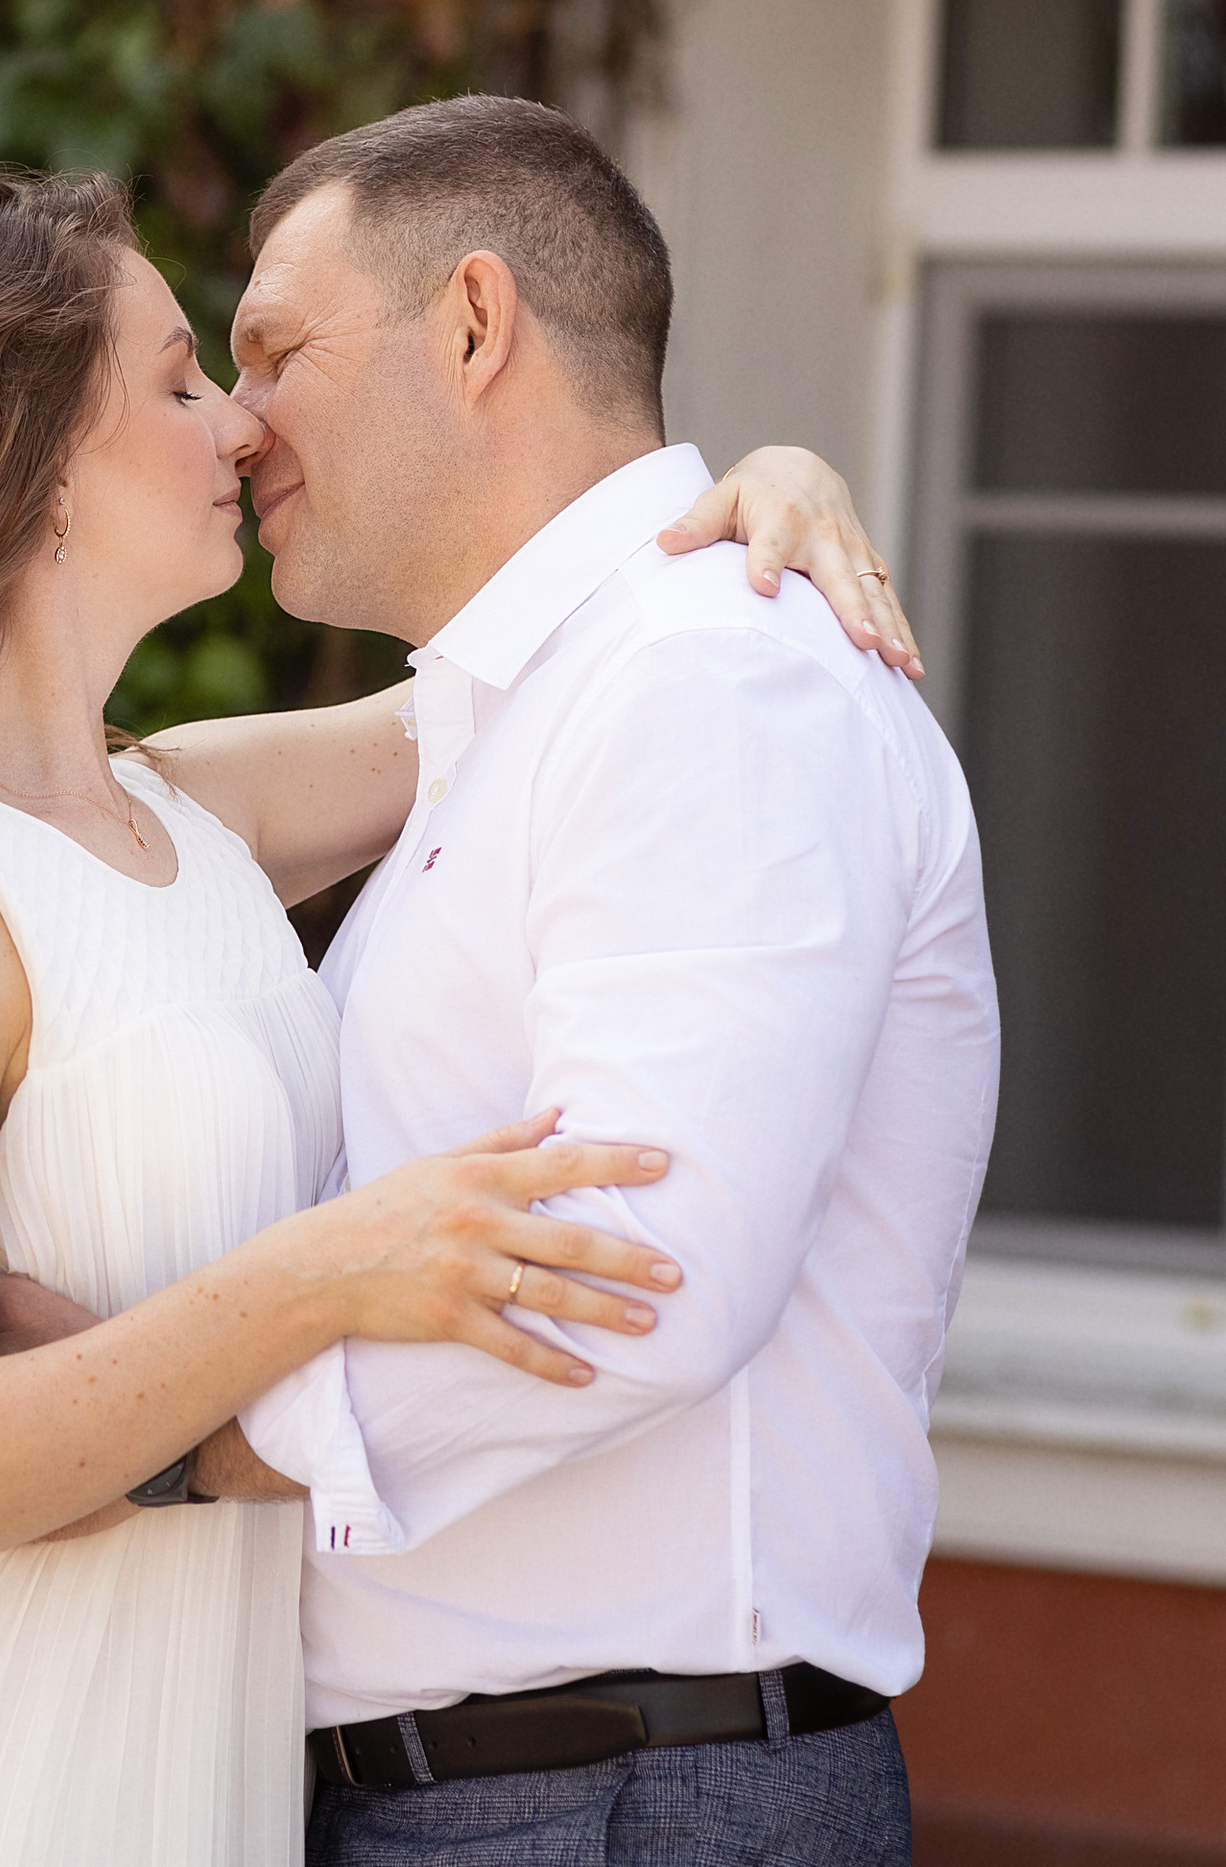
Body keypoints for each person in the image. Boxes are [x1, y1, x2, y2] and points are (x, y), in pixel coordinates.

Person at [0, 170, 917, 1867]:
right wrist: (329, 1270)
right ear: (21, 471)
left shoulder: (188, 815)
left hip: (216, 1755)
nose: (238, 427)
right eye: (180, 382)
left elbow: (566, 656)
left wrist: (761, 486)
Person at [205, 97, 1000, 1864]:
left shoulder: (711, 676)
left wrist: (189, 1443)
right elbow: (110, 818)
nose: (239, 423)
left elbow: (636, 1276)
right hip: (529, 1793)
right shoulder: (533, 712)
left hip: (620, 1799)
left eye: (274, 352)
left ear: (475, 323)